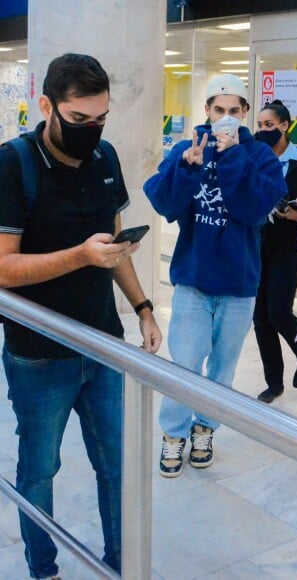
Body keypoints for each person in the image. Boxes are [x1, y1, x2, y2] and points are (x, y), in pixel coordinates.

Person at [0, 53, 162, 578]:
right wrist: (79, 256)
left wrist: (142, 307)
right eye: (78, 120)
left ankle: (120, 566)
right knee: (39, 471)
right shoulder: (12, 164)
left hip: (102, 345)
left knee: (116, 469)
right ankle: (43, 569)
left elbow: (112, 242)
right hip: (39, 355)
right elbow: (2, 269)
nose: (91, 131)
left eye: (100, 119)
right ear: (46, 105)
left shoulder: (105, 156)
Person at [144, 74, 287, 477]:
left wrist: (234, 155)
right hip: (193, 278)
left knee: (222, 367)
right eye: (218, 110)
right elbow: (162, 202)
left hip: (239, 284)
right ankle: (174, 433)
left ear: (245, 114)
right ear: (206, 110)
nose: (225, 118)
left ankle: (206, 426)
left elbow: (253, 210)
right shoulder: (188, 148)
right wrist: (188, 168)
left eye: (234, 111)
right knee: (186, 363)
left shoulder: (259, 156)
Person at [253, 100, 297, 403]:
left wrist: (295, 213)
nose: (263, 130)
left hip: (289, 247)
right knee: (259, 316)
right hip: (256, 245)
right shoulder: (254, 159)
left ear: (284, 126)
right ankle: (273, 381)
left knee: (277, 310)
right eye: (260, 125)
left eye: (269, 125)